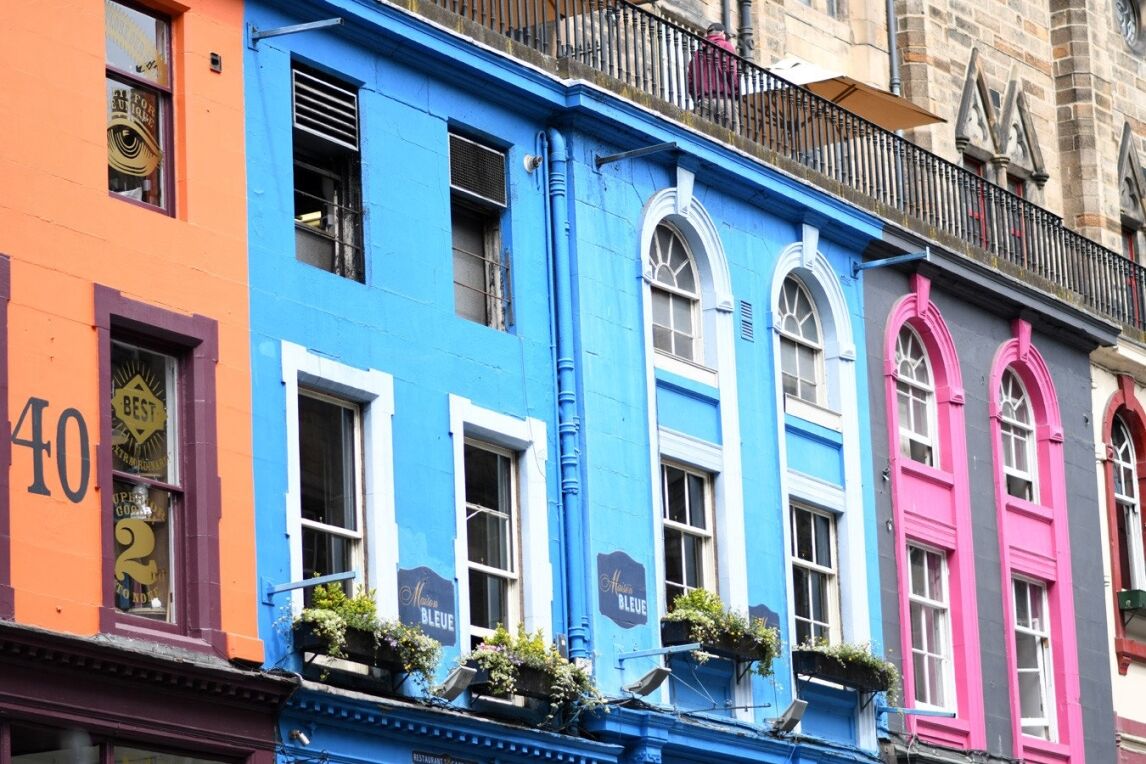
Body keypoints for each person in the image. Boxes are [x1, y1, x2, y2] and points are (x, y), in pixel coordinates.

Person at [687, 23, 740, 132]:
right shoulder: (726, 46)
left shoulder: (697, 53)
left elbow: (690, 81)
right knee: (732, 141)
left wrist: (697, 98)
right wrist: (736, 92)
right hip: (724, 100)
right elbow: (733, 72)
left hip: (704, 101)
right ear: (722, 33)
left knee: (703, 138)